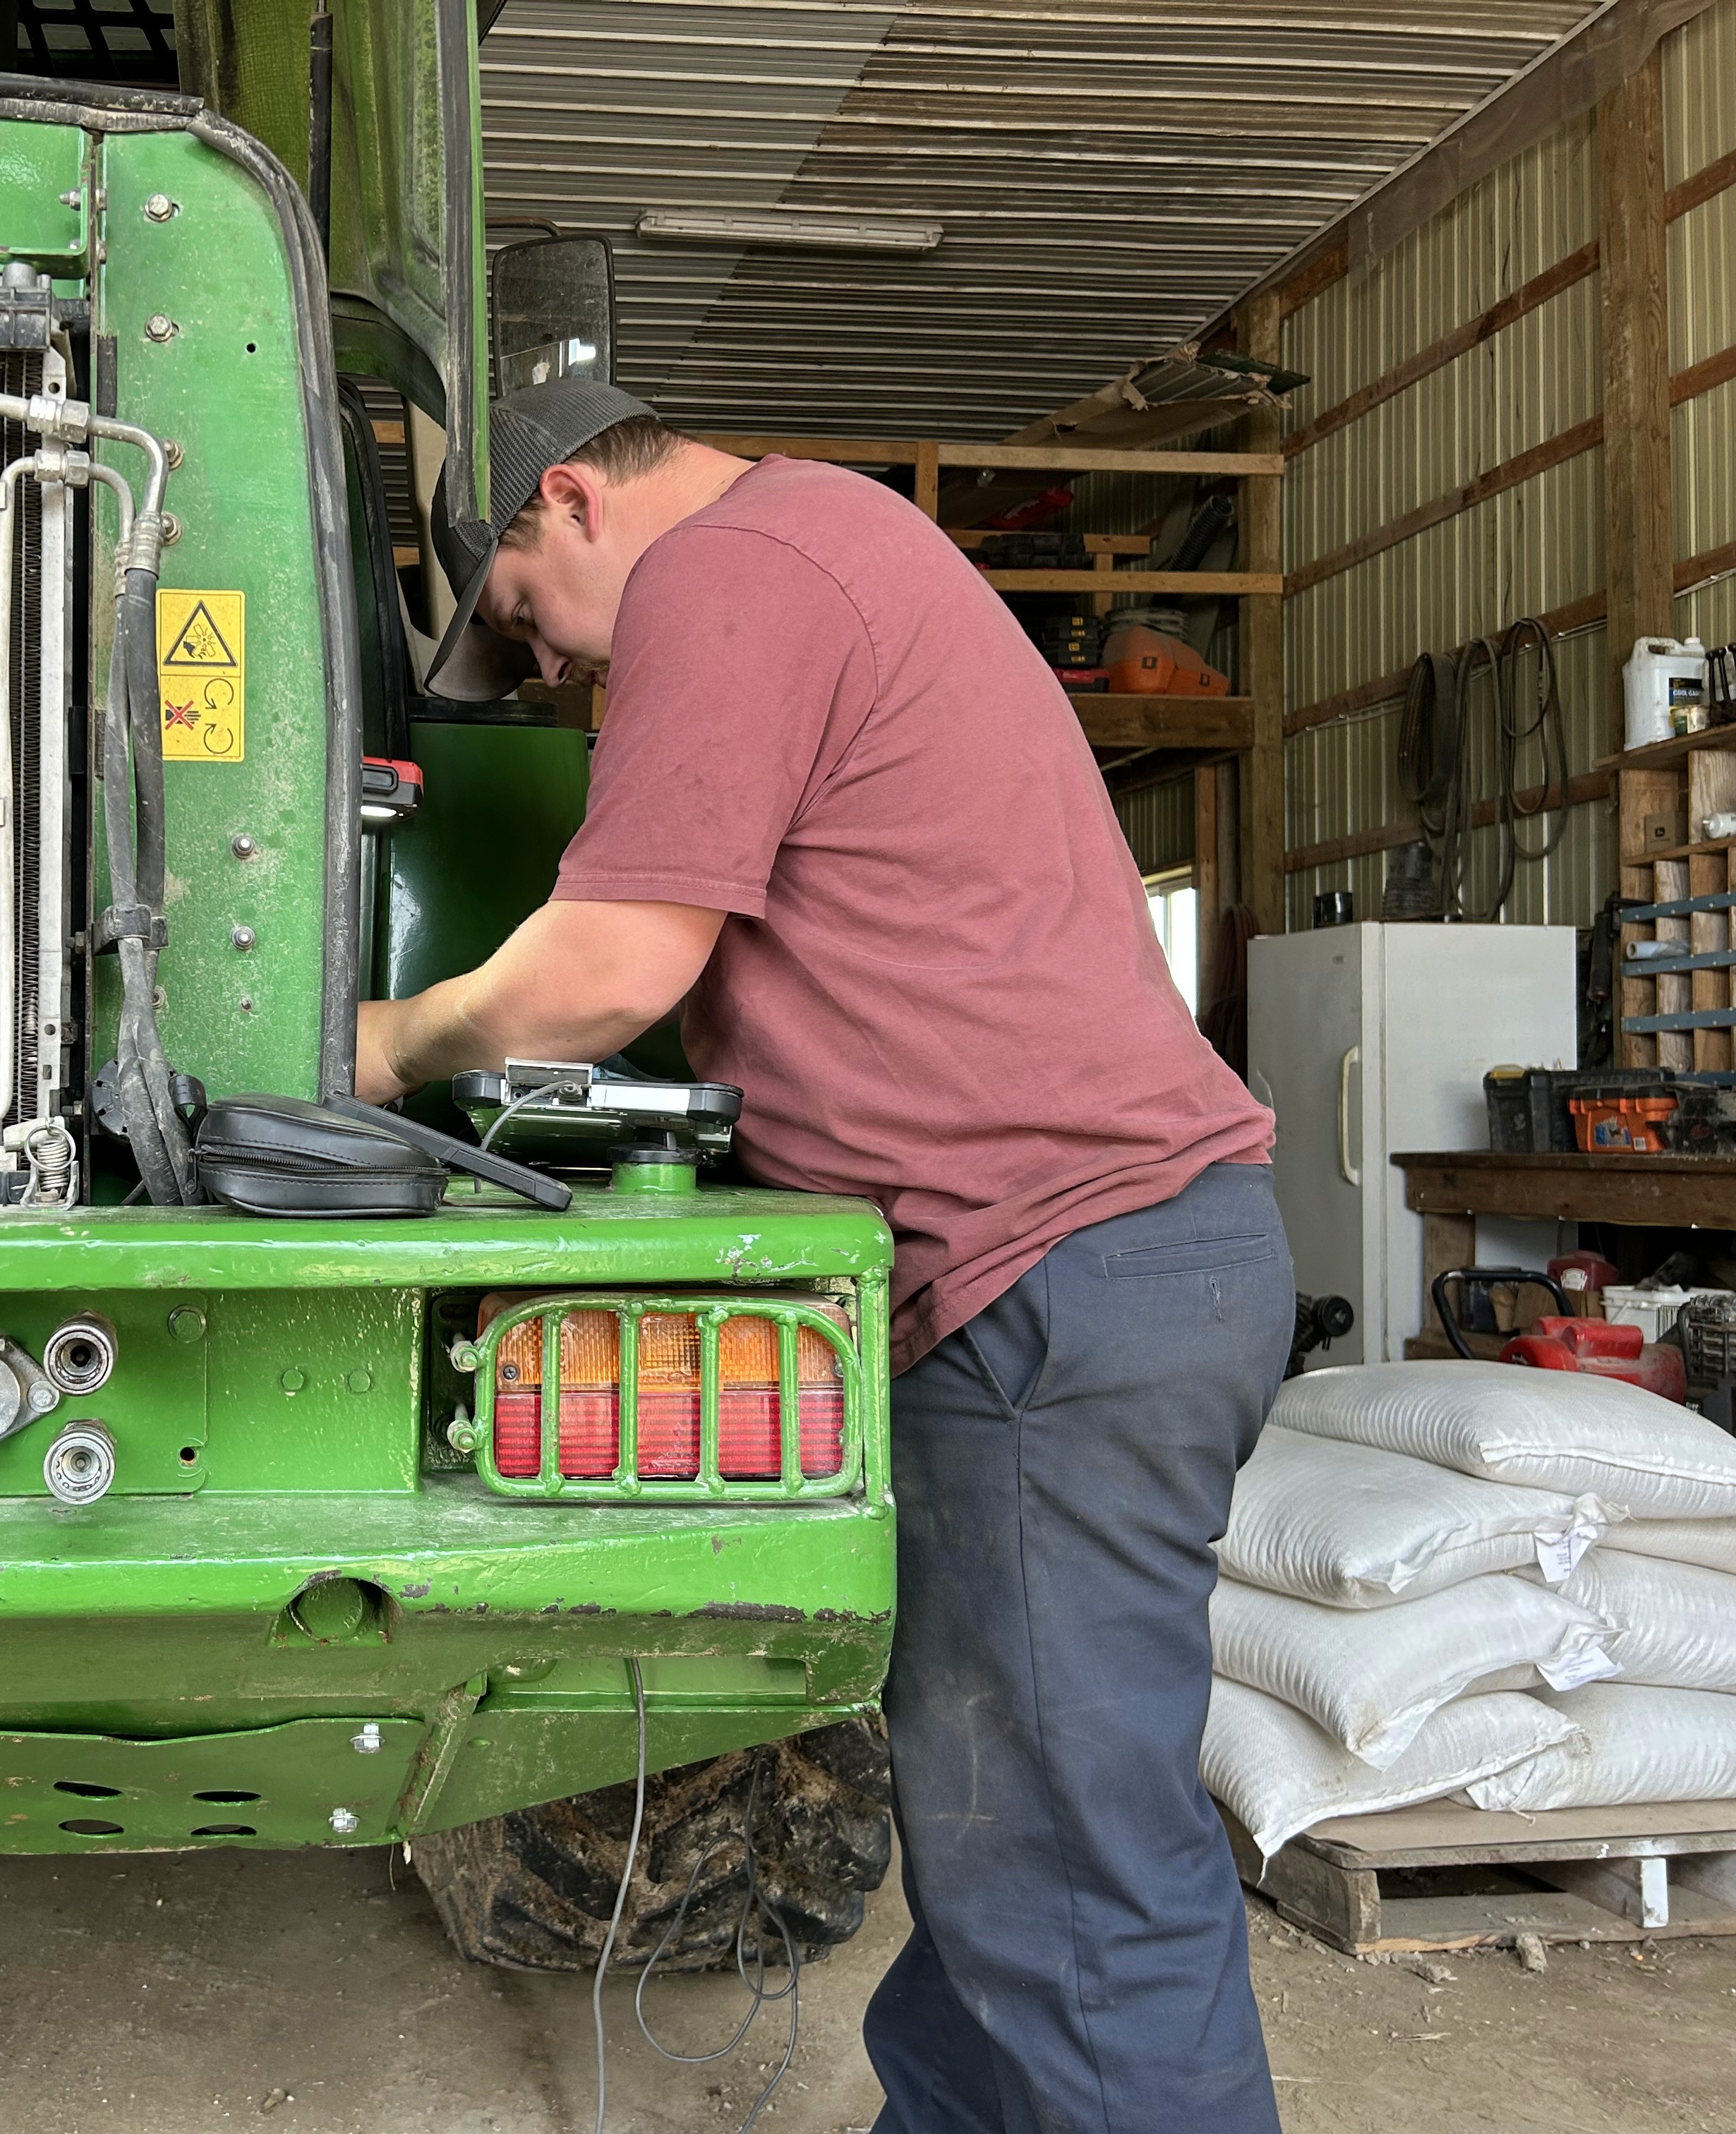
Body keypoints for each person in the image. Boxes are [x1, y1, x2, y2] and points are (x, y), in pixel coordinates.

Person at [357, 379, 1291, 2134]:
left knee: (1084, 1903)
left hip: (1058, 1289)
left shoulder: (732, 567)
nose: (550, 670)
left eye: (526, 619)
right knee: (1001, 1853)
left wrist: (386, 1048)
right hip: (1106, 1272)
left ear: (573, 501)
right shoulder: (839, 542)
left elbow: (617, 960)